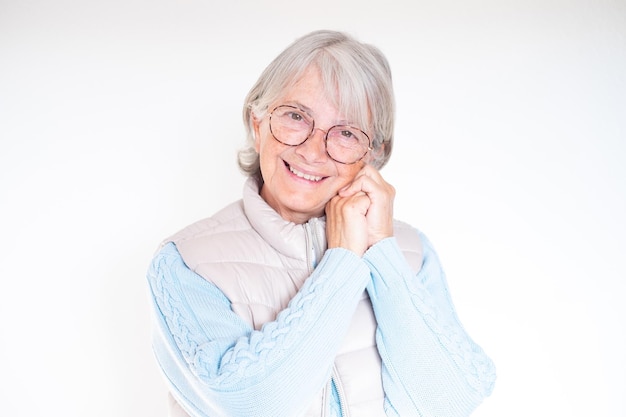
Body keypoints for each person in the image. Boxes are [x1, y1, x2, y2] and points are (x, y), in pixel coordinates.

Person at [147, 30, 496, 417]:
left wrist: (381, 251)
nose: (313, 151)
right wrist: (343, 260)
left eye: (345, 133)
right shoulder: (187, 262)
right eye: (296, 116)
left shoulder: (412, 254)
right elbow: (250, 405)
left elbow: (449, 401)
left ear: (372, 155)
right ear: (258, 123)